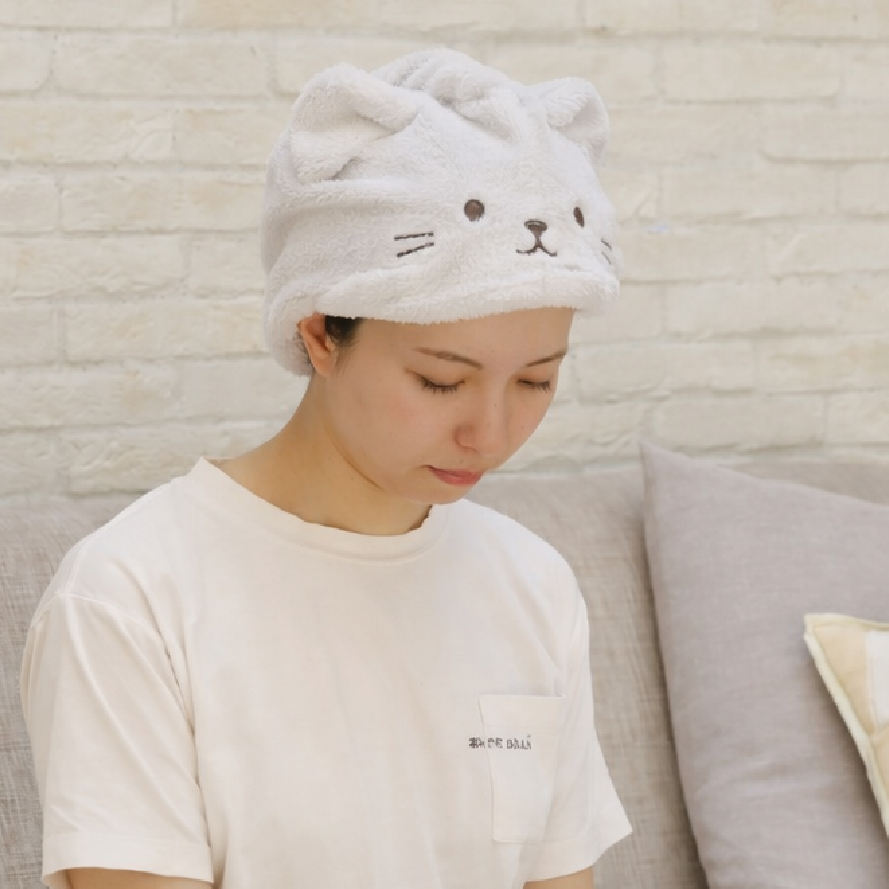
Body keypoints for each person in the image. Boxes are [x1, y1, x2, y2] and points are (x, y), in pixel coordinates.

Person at [19, 46, 633, 889]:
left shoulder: (533, 585)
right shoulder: (131, 597)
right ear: (318, 331)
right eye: (440, 379)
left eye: (536, 380)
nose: (489, 433)